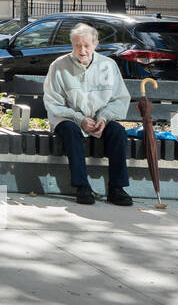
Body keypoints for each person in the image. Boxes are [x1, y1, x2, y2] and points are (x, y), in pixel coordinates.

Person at [43, 22, 133, 206]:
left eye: (86, 45)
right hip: (68, 118)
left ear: (96, 44)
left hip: (100, 119)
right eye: (77, 45)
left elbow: (119, 98)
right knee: (71, 131)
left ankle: (117, 188)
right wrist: (79, 118)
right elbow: (53, 102)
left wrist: (103, 118)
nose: (82, 50)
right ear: (72, 44)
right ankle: (82, 187)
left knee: (117, 132)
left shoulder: (108, 65)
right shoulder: (58, 66)